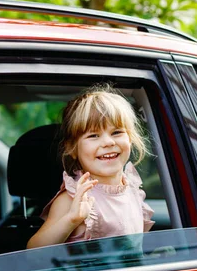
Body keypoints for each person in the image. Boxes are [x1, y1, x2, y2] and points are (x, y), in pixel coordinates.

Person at [27, 85, 154, 250]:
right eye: (93, 136)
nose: (108, 142)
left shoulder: (132, 188)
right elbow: (33, 252)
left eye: (117, 132)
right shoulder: (73, 198)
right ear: (72, 149)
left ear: (130, 139)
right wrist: (72, 219)